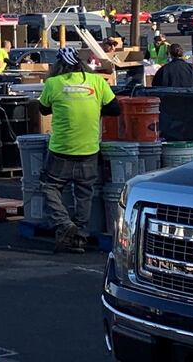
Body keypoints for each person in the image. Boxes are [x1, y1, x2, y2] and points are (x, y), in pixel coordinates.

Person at [38, 47, 120, 254]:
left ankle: (64, 224)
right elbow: (115, 108)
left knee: (49, 186)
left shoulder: (53, 84)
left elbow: (43, 109)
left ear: (58, 65)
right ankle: (79, 239)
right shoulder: (97, 82)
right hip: (89, 148)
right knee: (84, 193)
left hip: (61, 148)